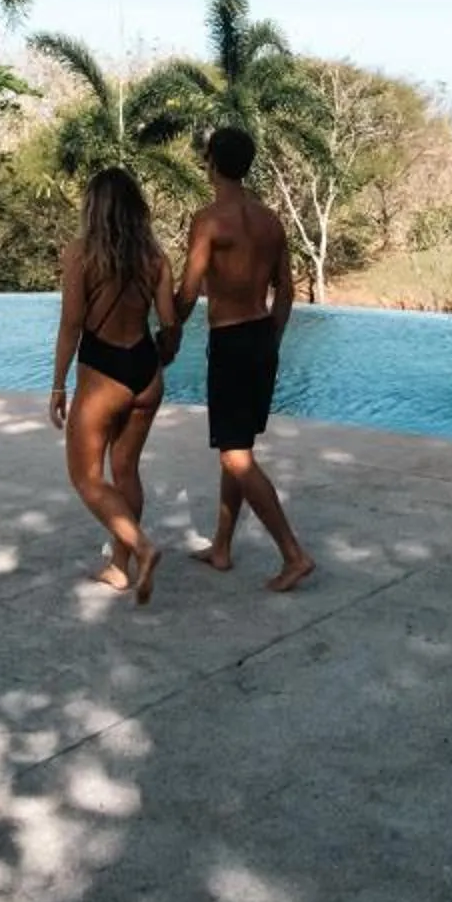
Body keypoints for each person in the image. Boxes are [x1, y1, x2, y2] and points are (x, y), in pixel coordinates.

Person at [174, 125, 314, 592]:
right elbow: (287, 292)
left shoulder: (209, 220)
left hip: (232, 343)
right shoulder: (271, 220)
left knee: (235, 456)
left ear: (211, 162)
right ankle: (222, 547)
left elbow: (190, 292)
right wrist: (270, 339)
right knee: (235, 450)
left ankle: (293, 555)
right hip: (260, 338)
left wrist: (166, 328)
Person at [50, 167, 173, 602]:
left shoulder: (81, 254)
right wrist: (165, 354)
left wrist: (58, 385)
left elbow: (72, 324)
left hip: (104, 373)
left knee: (86, 478)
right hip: (145, 372)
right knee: (125, 471)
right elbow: (170, 322)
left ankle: (141, 548)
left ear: (93, 208)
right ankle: (119, 569)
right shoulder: (156, 257)